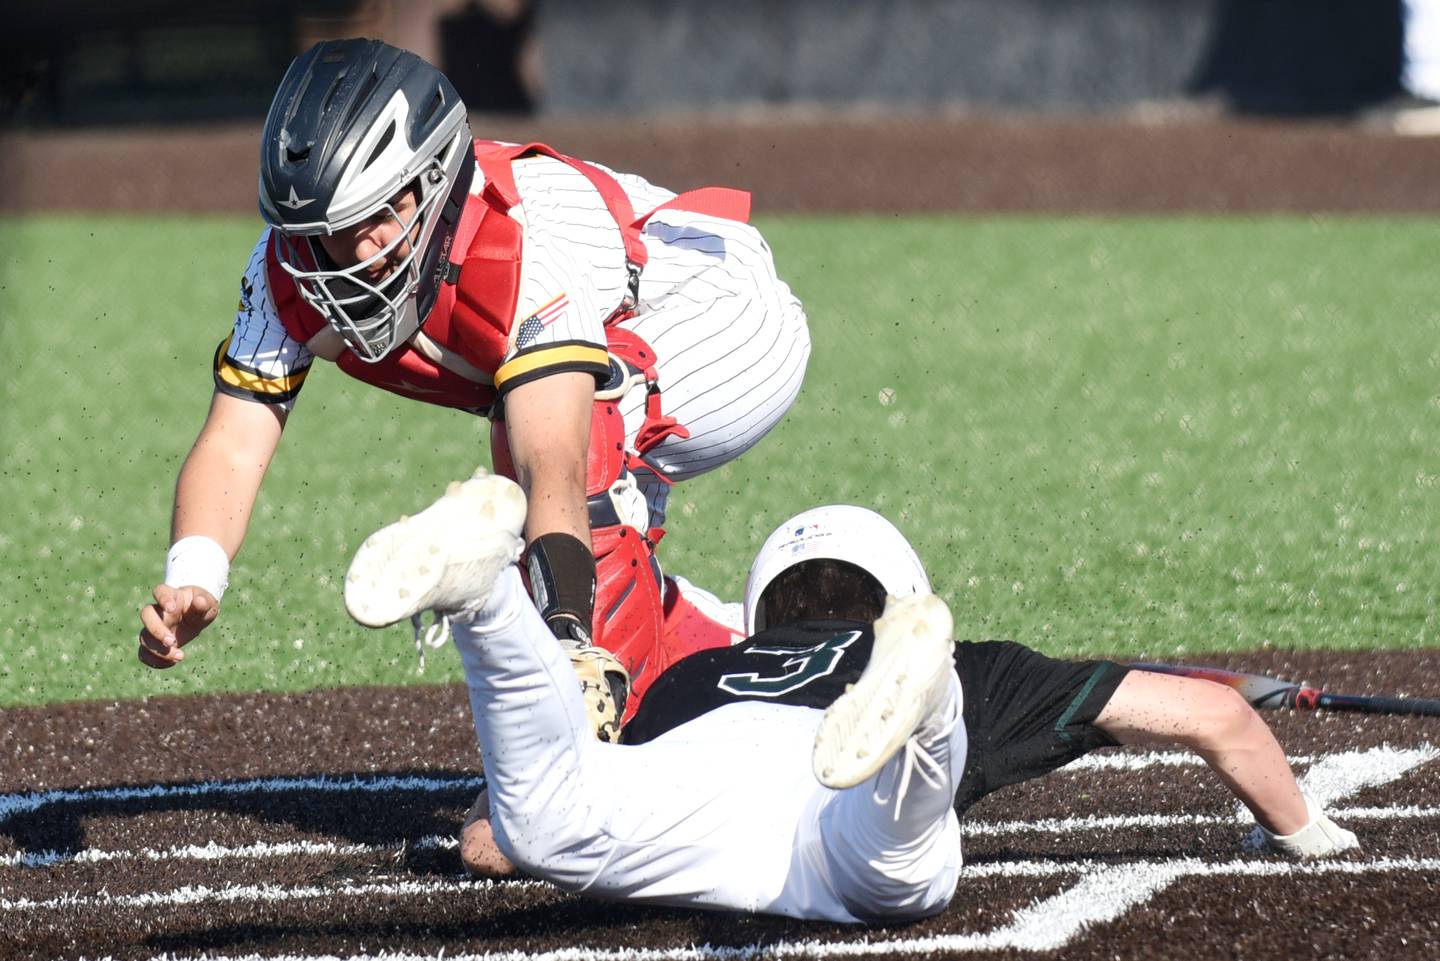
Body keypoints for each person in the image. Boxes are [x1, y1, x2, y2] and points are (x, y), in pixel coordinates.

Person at [135, 38, 807, 739]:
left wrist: (565, 636)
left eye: (377, 216)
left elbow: (555, 463)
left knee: (558, 465)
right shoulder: (294, 264)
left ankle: (596, 741)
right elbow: (236, 438)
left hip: (726, 316)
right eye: (329, 232)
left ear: (432, 181)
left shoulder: (520, 239)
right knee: (558, 503)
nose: (353, 254)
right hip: (622, 349)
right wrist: (196, 574)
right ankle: (784, 652)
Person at [343, 471, 1359, 919]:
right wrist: (1302, 829)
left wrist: (516, 804)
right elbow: (1217, 715)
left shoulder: (695, 674)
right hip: (837, 796)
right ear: (899, 596)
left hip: (702, 775)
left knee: (553, 814)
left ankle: (486, 599)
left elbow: (492, 843)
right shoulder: (995, 661)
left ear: (759, 611)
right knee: (902, 864)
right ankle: (927, 709)